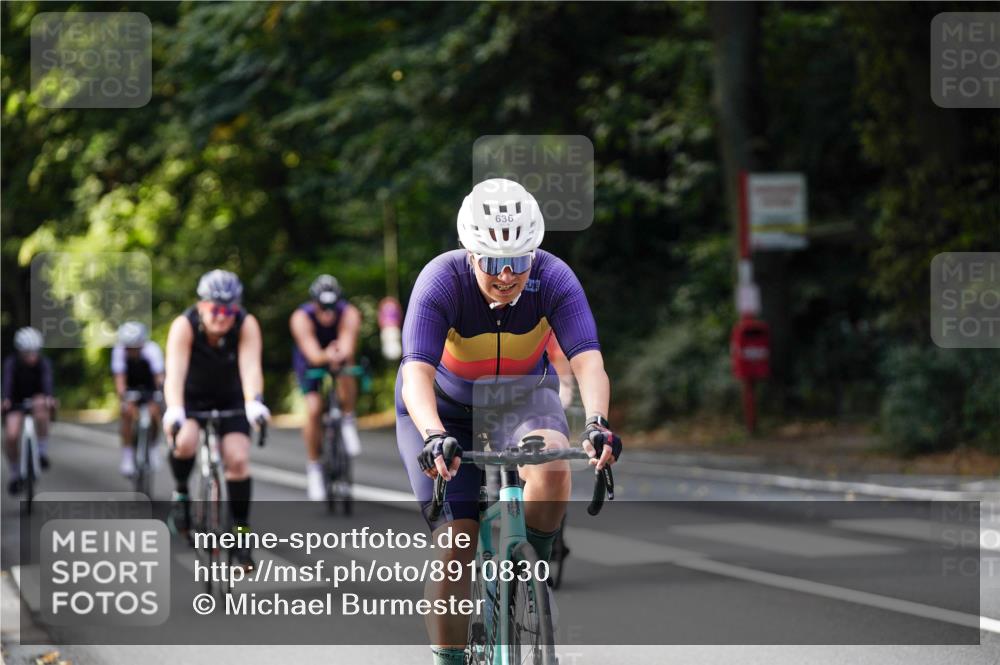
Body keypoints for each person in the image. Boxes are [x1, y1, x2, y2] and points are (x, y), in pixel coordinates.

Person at [395, 178, 623, 664]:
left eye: (518, 261)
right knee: (457, 544)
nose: (505, 274)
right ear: (469, 252)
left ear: (533, 255)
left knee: (553, 470)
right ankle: (450, 659)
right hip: (445, 411)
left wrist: (598, 421)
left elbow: (587, 360)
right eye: (493, 262)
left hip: (523, 399)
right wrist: (434, 435)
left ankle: (525, 571)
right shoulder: (441, 280)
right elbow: (415, 371)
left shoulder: (555, 278)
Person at [162, 270, 271, 569]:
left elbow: (250, 367)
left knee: (237, 458)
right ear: (201, 306)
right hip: (191, 397)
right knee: (184, 443)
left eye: (229, 310)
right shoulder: (184, 326)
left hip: (231, 398)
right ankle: (182, 490)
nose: (223, 317)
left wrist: (254, 402)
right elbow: (174, 374)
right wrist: (174, 409)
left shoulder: (246, 324)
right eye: (215, 309)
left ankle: (241, 534)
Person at [289, 274, 362, 501]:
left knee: (346, 369)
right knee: (313, 408)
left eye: (332, 306)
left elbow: (347, 345)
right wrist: (326, 355)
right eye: (323, 306)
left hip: (337, 357)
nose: (328, 312)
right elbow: (312, 353)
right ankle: (314, 466)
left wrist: (338, 354)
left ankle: (348, 417)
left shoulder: (349, 313)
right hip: (310, 362)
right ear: (314, 302)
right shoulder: (301, 317)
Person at [2, 327, 56, 494]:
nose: (32, 356)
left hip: (36, 399)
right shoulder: (11, 363)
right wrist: (5, 400)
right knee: (11, 435)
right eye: (27, 353)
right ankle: (14, 472)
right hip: (16, 402)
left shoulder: (43, 363)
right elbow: (7, 384)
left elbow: (47, 383)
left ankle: (41, 451)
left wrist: (49, 398)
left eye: (34, 352)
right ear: (20, 351)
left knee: (42, 408)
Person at [112, 321, 165, 477]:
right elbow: (120, 379)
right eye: (129, 347)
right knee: (127, 413)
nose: (133, 351)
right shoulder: (119, 351)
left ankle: (153, 448)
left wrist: (160, 394)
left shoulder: (152, 350)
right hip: (131, 387)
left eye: (136, 347)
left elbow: (159, 377)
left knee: (155, 413)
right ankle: (128, 457)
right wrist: (124, 397)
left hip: (150, 386)